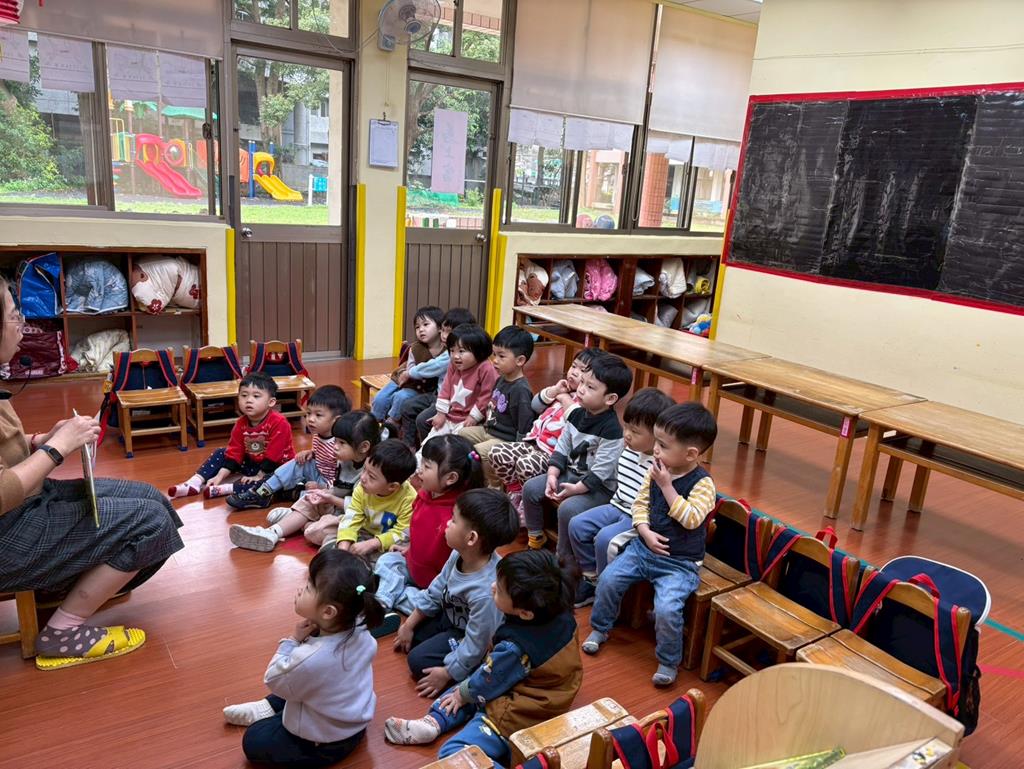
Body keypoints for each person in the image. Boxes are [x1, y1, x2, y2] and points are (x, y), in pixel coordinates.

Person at [0, 277, 183, 667]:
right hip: (9, 530)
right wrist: (56, 448)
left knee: (153, 500)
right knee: (150, 523)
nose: (22, 325)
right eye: (15, 316)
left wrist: (38, 440)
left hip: (24, 506)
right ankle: (61, 632)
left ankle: (68, 588)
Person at [384, 550, 582, 769]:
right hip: (545, 689)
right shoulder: (559, 613)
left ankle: (438, 721)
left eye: (500, 590)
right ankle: (433, 722)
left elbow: (486, 681)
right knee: (471, 685)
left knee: (456, 750)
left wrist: (463, 694)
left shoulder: (515, 648)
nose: (493, 586)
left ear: (525, 613)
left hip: (520, 712)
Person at [583, 402, 718, 687]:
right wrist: (644, 532)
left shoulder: (703, 484)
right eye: (656, 442)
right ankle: (601, 627)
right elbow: (640, 504)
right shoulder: (657, 470)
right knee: (608, 579)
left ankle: (668, 660)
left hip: (679, 563)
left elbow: (692, 519)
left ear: (691, 454)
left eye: (663, 445)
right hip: (643, 549)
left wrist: (667, 486)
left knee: (667, 609)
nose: (655, 450)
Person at [223, 549, 383, 768]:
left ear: (328, 612)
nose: (300, 589)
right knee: (300, 680)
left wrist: (293, 640)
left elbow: (273, 678)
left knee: (254, 739)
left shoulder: (310, 659)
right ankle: (268, 708)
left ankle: (275, 716)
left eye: (308, 587)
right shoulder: (357, 625)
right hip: (353, 723)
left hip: (325, 741)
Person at [393, 488, 519, 699]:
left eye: (453, 520)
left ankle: (473, 672)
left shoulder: (485, 592)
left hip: (468, 633)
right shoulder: (457, 554)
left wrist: (447, 673)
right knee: (414, 635)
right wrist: (408, 625)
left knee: (417, 661)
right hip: (451, 616)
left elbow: (478, 642)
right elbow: (435, 590)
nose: (447, 524)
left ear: (471, 538)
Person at [568, 387, 675, 607]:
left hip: (637, 517)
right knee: (577, 525)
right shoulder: (627, 449)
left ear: (657, 435)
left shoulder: (662, 466)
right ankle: (592, 578)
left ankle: (608, 593)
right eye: (626, 426)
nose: (627, 434)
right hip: (617, 505)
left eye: (635, 431)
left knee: (605, 539)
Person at [521, 354, 632, 554]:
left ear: (610, 399)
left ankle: (563, 556)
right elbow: (562, 447)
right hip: (571, 474)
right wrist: (553, 474)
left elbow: (600, 473)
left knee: (568, 509)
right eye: (582, 382)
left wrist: (576, 489)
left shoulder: (612, 430)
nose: (580, 389)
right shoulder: (576, 413)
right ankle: (536, 536)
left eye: (590, 387)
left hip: (598, 488)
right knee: (531, 488)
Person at [228, 411, 381, 552]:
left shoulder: (370, 473)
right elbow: (338, 489)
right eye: (335, 441)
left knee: (316, 531)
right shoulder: (347, 459)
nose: (335, 447)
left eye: (342, 443)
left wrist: (329, 497)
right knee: (310, 499)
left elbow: (360, 509)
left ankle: (300, 520)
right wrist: (324, 493)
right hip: (338, 507)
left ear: (364, 447)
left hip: (357, 518)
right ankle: (272, 532)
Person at [373, 434, 483, 629]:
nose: (419, 469)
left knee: (430, 605)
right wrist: (409, 547)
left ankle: (389, 598)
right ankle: (382, 604)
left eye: (427, 466)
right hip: (413, 565)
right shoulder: (425, 494)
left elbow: (457, 564)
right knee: (386, 561)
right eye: (421, 462)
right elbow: (418, 527)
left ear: (450, 478)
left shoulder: (458, 515)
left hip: (434, 584)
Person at [488, 347, 598, 511]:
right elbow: (535, 405)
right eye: (574, 366)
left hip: (552, 454)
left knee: (525, 464)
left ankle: (526, 503)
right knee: (497, 453)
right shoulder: (562, 388)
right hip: (533, 442)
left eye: (582, 370)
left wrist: (564, 398)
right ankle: (516, 491)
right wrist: (555, 391)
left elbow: (576, 418)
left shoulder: (585, 401)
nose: (574, 372)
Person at [169, 372, 295, 499]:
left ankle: (226, 489)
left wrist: (259, 475)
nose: (249, 400)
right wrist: (220, 476)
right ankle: (194, 482)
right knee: (221, 452)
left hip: (277, 467)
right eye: (244, 395)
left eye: (256, 396)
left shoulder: (279, 422)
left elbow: (274, 455)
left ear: (271, 402)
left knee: (270, 482)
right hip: (253, 463)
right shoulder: (241, 423)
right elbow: (235, 452)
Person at [227, 384, 351, 510]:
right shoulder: (319, 435)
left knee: (312, 499)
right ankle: (262, 492)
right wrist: (311, 453)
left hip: (331, 486)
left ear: (336, 420)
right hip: (318, 474)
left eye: (318, 415)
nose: (310, 419)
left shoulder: (340, 445)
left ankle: (288, 492)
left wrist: (321, 487)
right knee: (298, 462)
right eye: (308, 413)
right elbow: (323, 455)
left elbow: (344, 480)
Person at [459, 325, 536, 487]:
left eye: (501, 356)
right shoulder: (501, 379)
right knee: (462, 434)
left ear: (520, 360)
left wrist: (517, 451)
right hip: (489, 430)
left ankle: (494, 485)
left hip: (504, 440)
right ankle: (475, 478)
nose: (495, 360)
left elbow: (525, 425)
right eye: (494, 354)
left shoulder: (521, 390)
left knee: (478, 452)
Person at [398, 307, 476, 448]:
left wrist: (409, 373)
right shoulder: (449, 351)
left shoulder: (454, 355)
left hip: (450, 402)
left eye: (449, 332)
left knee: (423, 420)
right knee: (408, 407)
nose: (444, 336)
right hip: (438, 395)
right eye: (443, 330)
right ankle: (409, 446)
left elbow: (434, 366)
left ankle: (430, 449)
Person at [421, 324, 499, 446]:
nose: (455, 356)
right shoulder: (453, 365)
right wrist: (441, 413)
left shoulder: (486, 368)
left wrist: (474, 417)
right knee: (430, 443)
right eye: (452, 350)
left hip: (469, 421)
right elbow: (446, 388)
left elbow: (487, 396)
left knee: (453, 447)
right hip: (450, 416)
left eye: (461, 351)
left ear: (478, 350)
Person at [371, 305, 445, 432]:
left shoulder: (447, 350)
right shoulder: (415, 348)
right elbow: (410, 369)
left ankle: (391, 425)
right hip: (402, 379)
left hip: (421, 388)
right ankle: (372, 423)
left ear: (439, 327)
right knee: (380, 398)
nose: (421, 330)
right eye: (417, 327)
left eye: (426, 325)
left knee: (401, 397)